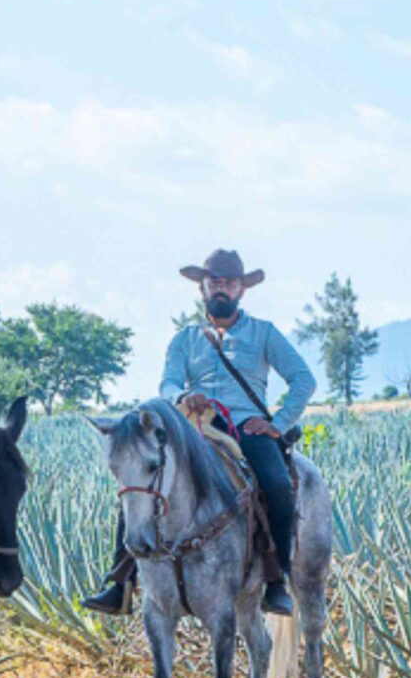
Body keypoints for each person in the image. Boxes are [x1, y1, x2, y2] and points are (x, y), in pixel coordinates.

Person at [83, 248, 316, 617]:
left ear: (241, 289)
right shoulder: (185, 339)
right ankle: (120, 582)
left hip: (245, 428)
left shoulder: (264, 333)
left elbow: (304, 379)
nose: (221, 288)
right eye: (214, 282)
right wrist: (182, 395)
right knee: (141, 482)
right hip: (194, 428)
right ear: (203, 288)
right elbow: (169, 382)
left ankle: (276, 579)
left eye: (229, 282)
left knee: (275, 484)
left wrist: (277, 424)